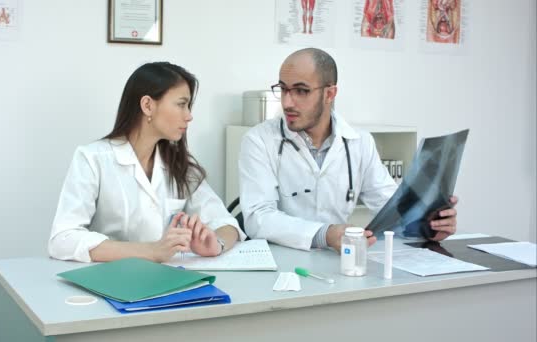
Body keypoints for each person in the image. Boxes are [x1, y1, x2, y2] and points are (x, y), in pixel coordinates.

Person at [238, 48, 458, 252]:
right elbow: (258, 218)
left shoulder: (359, 142)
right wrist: (325, 234)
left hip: (340, 262)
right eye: (283, 89)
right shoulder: (259, 140)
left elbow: (390, 206)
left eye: (301, 91)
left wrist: (428, 224)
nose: (287, 102)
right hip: (282, 264)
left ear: (330, 93)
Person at [49, 62, 245, 263]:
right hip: (110, 282)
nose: (189, 116)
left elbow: (226, 223)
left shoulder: (179, 165)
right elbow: (63, 238)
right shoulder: (93, 159)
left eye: (188, 106)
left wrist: (216, 243)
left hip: (168, 280)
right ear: (148, 105)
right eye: (181, 104)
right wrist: (151, 251)